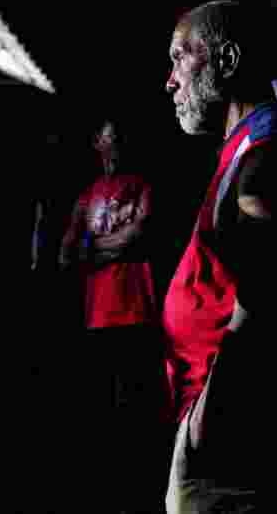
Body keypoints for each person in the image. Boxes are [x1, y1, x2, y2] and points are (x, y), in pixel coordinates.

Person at [162, 0, 277, 512]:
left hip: (231, 434)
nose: (170, 81)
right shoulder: (248, 142)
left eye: (180, 58)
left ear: (227, 60)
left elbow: (275, 283)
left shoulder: (266, 150)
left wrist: (211, 412)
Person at [59, 118, 166, 512]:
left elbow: (138, 234)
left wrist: (95, 249)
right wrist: (107, 248)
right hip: (95, 314)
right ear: (96, 143)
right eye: (110, 138)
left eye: (122, 138)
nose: (116, 145)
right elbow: (67, 250)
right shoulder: (87, 195)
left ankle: (133, 492)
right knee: (99, 410)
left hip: (136, 309)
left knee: (132, 411)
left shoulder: (144, 186)